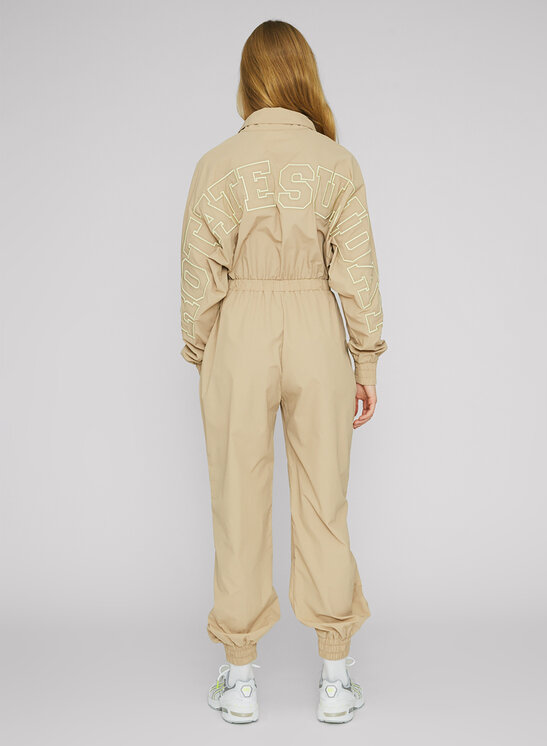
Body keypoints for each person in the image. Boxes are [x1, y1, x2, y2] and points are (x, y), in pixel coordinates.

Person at [180, 19, 387, 724]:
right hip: (315, 326)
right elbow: (357, 270)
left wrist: (204, 351)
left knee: (237, 499)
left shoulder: (215, 165)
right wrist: (365, 358)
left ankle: (240, 680)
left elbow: (199, 274)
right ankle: (335, 678)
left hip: (240, 326)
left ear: (248, 81)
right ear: (304, 75)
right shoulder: (337, 163)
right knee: (325, 498)